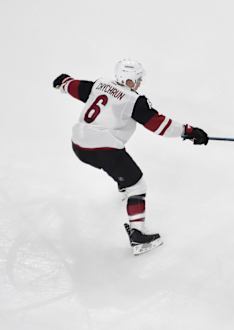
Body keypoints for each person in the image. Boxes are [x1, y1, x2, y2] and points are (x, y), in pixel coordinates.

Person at [53, 59, 209, 255]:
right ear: (129, 80)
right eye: (137, 80)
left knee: (117, 166)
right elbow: (159, 125)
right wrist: (188, 131)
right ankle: (138, 235)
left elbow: (77, 87)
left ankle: (123, 186)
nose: (139, 84)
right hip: (103, 148)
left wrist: (64, 82)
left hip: (79, 144)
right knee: (137, 185)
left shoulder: (100, 85)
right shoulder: (134, 100)